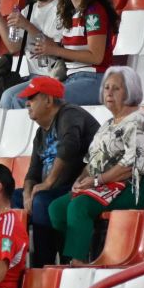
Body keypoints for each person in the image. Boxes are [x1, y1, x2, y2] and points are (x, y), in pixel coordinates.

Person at [44, 67, 144, 264]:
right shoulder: (108, 124)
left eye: (116, 88)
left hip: (138, 185)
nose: (109, 92)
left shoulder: (139, 121)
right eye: (107, 87)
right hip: (104, 183)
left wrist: (96, 180)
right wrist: (80, 181)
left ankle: (79, 260)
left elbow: (129, 166)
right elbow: (91, 161)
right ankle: (76, 256)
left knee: (80, 206)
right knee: (56, 208)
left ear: (130, 92)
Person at [10, 0, 117, 108]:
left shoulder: (94, 11)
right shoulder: (71, 15)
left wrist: (54, 49)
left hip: (94, 79)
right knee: (19, 99)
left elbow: (96, 57)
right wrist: (47, 49)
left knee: (40, 101)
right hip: (71, 78)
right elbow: (67, 52)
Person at [20, 74, 101, 267]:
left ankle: (42, 266)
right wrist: (26, 193)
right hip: (53, 189)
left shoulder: (69, 113)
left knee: (41, 201)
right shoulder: (41, 133)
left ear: (48, 100)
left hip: (77, 186)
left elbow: (69, 146)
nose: (27, 104)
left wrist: (47, 184)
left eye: (32, 98)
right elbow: (33, 171)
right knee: (12, 199)